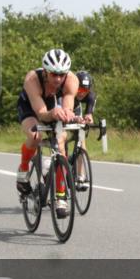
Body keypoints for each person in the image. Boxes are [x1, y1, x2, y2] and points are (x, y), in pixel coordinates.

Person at [15, 49, 80, 218]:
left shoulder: (71, 80)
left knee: (60, 142)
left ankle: (60, 196)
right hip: (31, 108)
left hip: (54, 107)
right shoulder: (32, 79)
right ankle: (23, 171)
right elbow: (42, 113)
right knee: (35, 136)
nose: (58, 79)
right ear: (45, 72)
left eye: (61, 75)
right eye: (53, 75)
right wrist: (54, 113)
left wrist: (67, 113)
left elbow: (68, 104)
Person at [72, 70, 96, 191]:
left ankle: (80, 175)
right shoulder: (69, 91)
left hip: (77, 109)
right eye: (80, 90)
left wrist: (88, 117)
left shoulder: (90, 95)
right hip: (65, 106)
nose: (82, 93)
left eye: (85, 91)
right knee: (62, 136)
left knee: (81, 140)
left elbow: (89, 114)